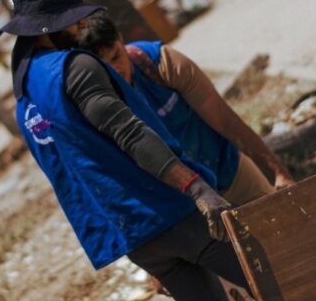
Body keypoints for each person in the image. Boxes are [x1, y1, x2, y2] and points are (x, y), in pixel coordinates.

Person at [0, 0, 284, 301]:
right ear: (54, 25)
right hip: (169, 209)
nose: (78, 29)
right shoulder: (76, 68)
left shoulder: (26, 99)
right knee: (277, 272)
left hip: (134, 236)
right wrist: (194, 186)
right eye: (72, 22)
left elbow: (73, 172)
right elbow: (129, 132)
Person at [77, 11, 295, 208]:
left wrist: (278, 170)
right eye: (105, 66)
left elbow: (225, 120)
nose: (116, 70)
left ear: (121, 39)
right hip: (187, 205)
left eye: (116, 56)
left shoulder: (161, 64)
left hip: (229, 170)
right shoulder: (100, 106)